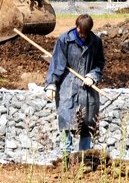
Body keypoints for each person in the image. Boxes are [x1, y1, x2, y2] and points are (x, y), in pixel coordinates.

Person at [45, 13, 105, 153]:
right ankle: (66, 159)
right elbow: (57, 63)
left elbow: (99, 63)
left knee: (87, 124)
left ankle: (84, 159)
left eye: (86, 33)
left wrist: (92, 76)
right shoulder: (65, 40)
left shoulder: (95, 42)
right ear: (76, 26)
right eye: (80, 31)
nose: (82, 35)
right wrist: (52, 84)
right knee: (66, 121)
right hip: (67, 88)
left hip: (88, 91)